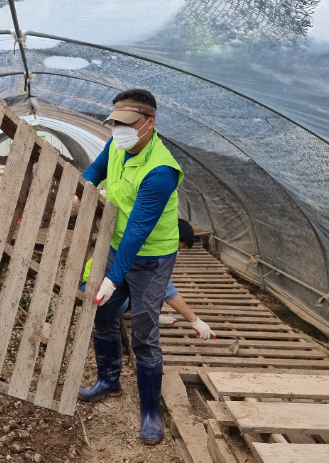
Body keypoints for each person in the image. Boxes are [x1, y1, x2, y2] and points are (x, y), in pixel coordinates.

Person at [77, 88, 183, 445]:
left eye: (126, 124)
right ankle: (109, 381)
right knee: (102, 314)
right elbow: (97, 167)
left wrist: (113, 276)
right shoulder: (118, 144)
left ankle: (150, 411)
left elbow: (139, 230)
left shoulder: (161, 171)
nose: (117, 130)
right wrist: (86, 183)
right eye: (114, 123)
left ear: (149, 123)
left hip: (151, 257)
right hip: (118, 243)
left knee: (144, 331)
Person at [81, 219, 216, 339]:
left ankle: (135, 319)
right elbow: (166, 289)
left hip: (118, 285)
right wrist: (195, 321)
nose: (176, 252)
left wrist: (154, 315)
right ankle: (108, 332)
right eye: (178, 247)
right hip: (93, 284)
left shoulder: (151, 243)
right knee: (119, 304)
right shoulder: (145, 248)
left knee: (147, 291)